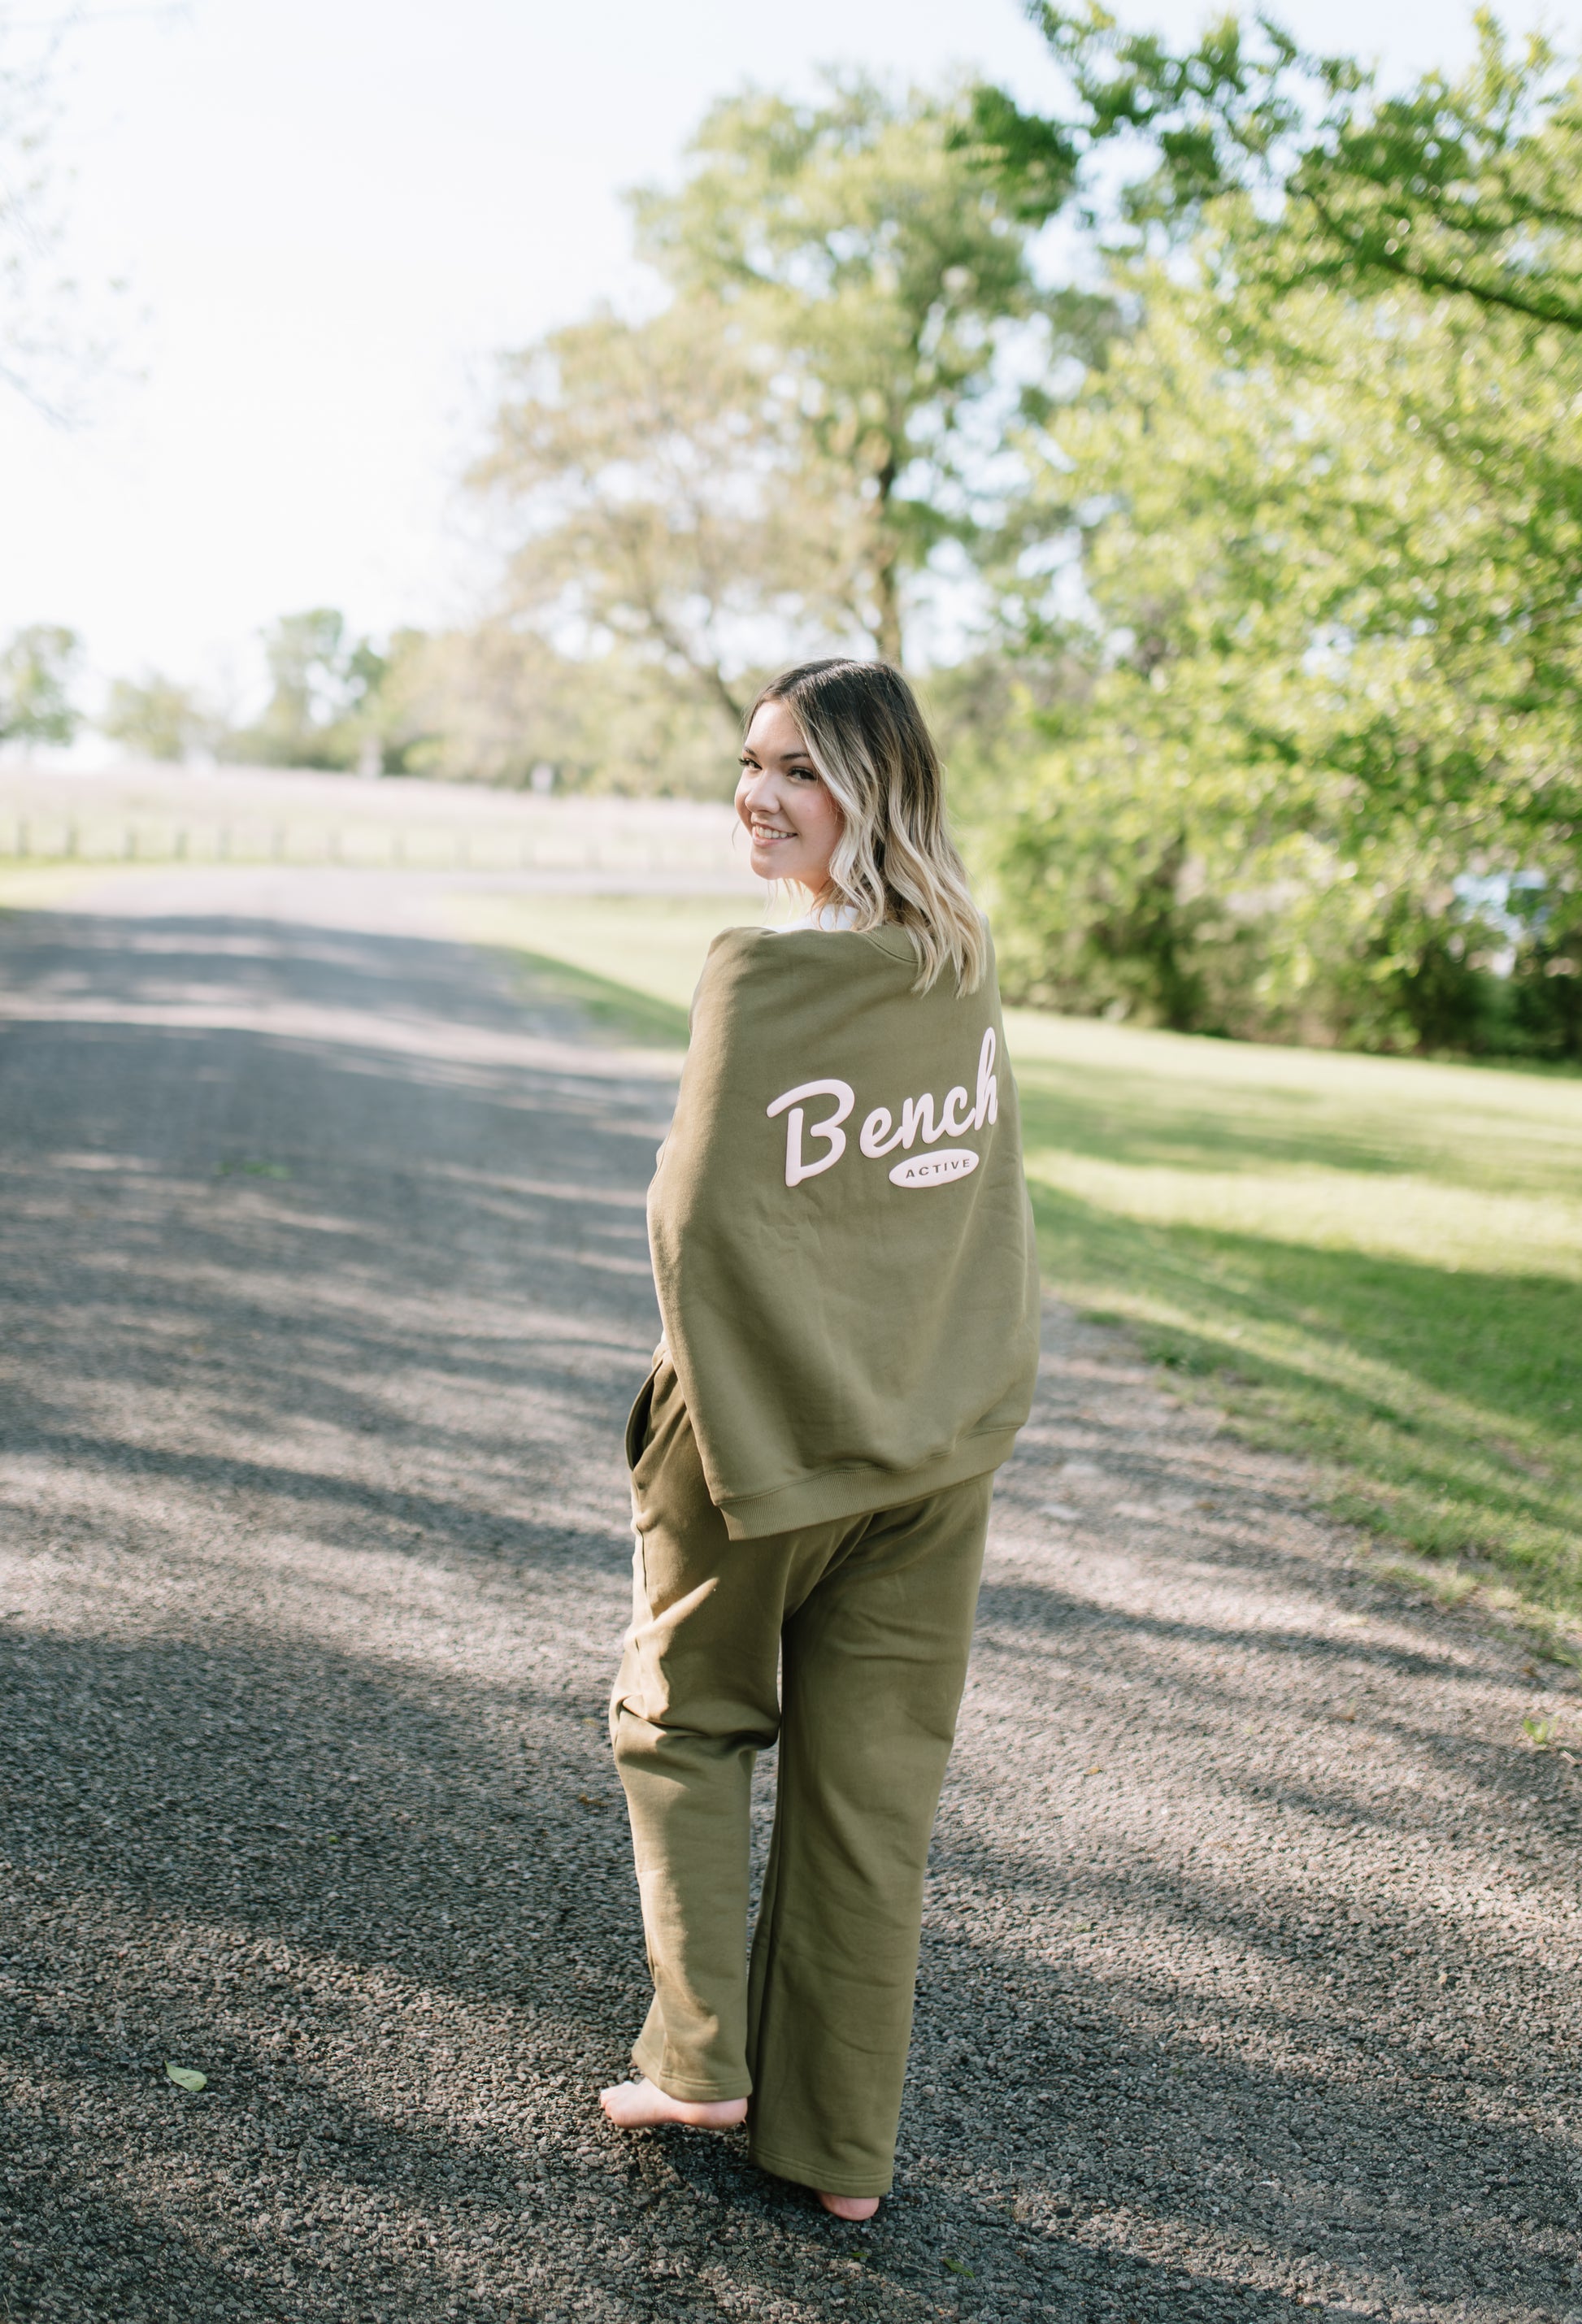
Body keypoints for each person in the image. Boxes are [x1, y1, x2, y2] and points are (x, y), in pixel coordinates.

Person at [598, 659, 1041, 2218]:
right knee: (872, 1797)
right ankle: (841, 2158)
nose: (758, 796)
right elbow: (972, 1213)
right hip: (935, 1445)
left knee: (683, 1719)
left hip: (761, 1440)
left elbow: (694, 1213)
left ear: (876, 787)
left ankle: (701, 2059)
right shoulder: (958, 966)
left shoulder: (762, 977)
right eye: (749, 762)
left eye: (798, 769)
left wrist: (693, 1414)